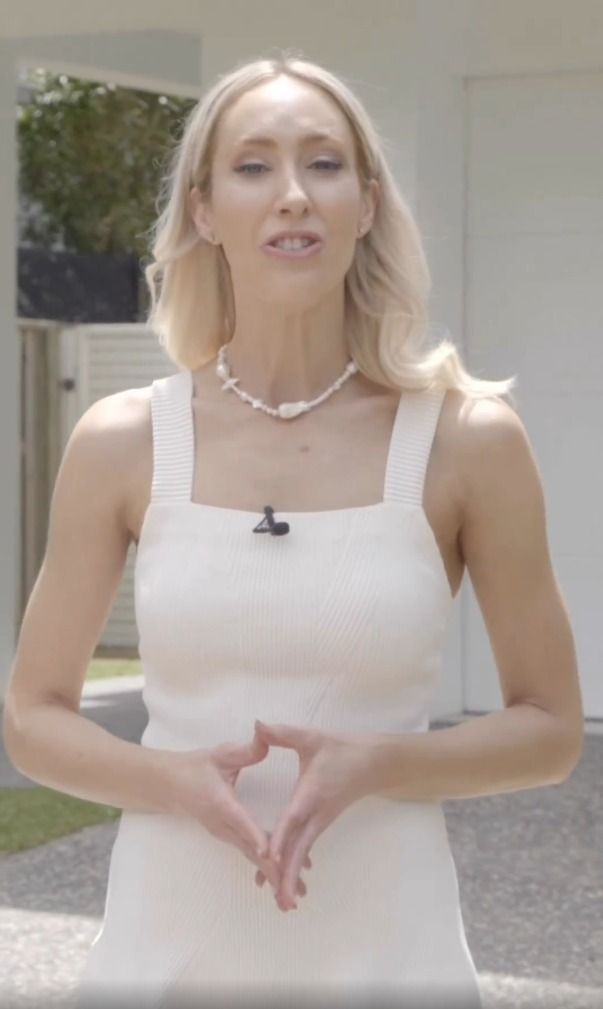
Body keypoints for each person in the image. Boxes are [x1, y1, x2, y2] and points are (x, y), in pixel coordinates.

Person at [3, 50, 583, 1009]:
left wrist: (379, 762)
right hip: (164, 953)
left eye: (323, 163)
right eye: (253, 166)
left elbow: (551, 730)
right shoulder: (123, 440)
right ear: (204, 210)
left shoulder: (467, 439)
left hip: (391, 956)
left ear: (366, 204)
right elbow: (32, 717)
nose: (292, 195)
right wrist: (170, 780)